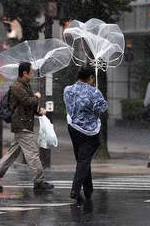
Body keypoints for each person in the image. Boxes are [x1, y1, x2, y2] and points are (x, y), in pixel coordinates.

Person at [0, 62, 54, 190]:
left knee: (11, 153)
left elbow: (28, 106)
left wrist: (38, 110)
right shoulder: (17, 86)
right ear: (24, 73)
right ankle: (39, 181)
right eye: (31, 72)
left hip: (23, 123)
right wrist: (37, 97)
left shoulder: (25, 85)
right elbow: (27, 101)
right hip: (22, 124)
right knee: (33, 153)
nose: (32, 74)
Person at [64, 66, 108, 204]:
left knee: (83, 159)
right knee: (84, 160)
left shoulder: (67, 90)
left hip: (73, 128)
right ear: (90, 77)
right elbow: (101, 108)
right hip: (89, 132)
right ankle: (75, 190)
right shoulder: (94, 92)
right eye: (92, 79)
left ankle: (88, 189)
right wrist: (100, 98)